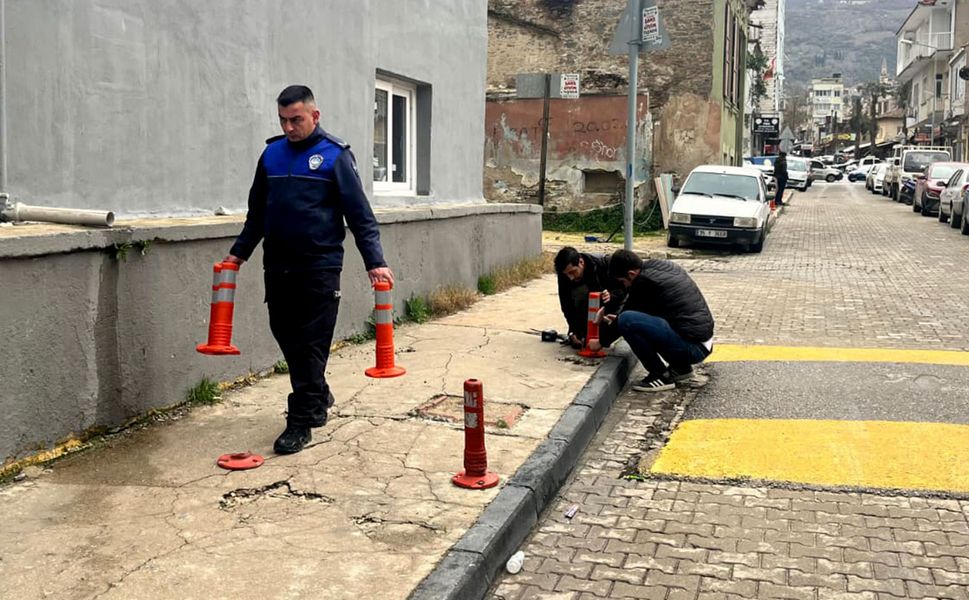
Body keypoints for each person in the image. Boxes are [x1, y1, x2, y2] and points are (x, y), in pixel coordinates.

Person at [225, 85, 394, 454]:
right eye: (283, 120)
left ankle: (300, 420)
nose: (289, 127)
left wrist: (375, 263)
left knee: (310, 342)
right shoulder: (271, 155)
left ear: (315, 116)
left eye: (296, 119)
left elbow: (360, 217)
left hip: (319, 266)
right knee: (285, 333)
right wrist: (239, 254)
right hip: (278, 266)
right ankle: (317, 392)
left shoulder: (335, 156)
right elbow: (258, 214)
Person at [591, 249, 714, 392]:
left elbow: (627, 317)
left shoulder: (644, 281)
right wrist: (617, 319)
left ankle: (659, 375)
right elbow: (644, 309)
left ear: (631, 274)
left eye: (623, 282)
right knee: (629, 319)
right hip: (702, 342)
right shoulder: (659, 267)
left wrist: (600, 342)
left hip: (693, 348)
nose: (625, 286)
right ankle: (681, 369)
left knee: (627, 320)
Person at [553, 247, 616, 348]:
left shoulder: (603, 264)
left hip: (609, 310)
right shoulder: (564, 274)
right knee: (578, 293)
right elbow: (567, 305)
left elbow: (624, 290)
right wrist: (574, 330)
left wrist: (611, 295)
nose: (571, 278)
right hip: (588, 313)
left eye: (572, 272)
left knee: (583, 292)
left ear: (581, 262)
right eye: (567, 274)